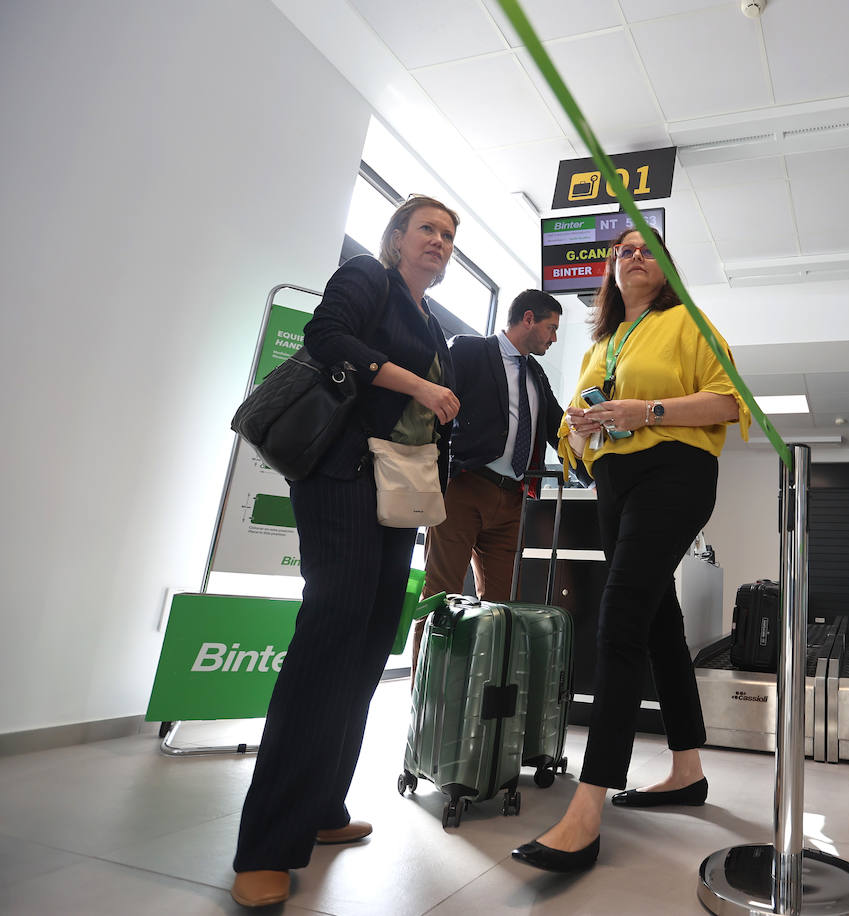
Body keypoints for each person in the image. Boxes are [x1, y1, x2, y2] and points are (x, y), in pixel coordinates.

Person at [230, 196, 461, 908]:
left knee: (366, 651)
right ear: (396, 237)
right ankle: (266, 844)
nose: (439, 242)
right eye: (428, 229)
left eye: (449, 237)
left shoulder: (430, 323)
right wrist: (421, 383)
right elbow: (327, 337)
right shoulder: (368, 278)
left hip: (396, 497)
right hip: (340, 480)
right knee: (329, 644)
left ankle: (322, 806)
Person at [510, 226, 750, 873]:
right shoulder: (603, 344)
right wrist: (583, 429)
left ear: (666, 268)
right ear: (611, 272)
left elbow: (730, 399)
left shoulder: (687, 324)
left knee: (619, 620)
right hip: (614, 486)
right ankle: (688, 770)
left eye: (647, 250)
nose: (634, 256)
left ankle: (587, 812)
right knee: (658, 624)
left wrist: (648, 411)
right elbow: (573, 442)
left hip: (674, 474)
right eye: (623, 251)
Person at [413, 289, 563, 675]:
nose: (554, 338)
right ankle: (425, 700)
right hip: (464, 487)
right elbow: (430, 407)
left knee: (499, 609)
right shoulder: (468, 350)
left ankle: (480, 701)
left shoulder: (536, 373)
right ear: (528, 318)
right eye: (551, 328)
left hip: (512, 500)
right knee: (439, 597)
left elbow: (556, 429)